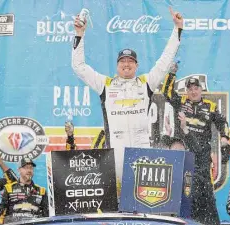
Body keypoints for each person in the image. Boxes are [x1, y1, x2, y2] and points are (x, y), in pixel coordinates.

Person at [72, 7, 183, 180]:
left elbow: (165, 60)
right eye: (122, 61)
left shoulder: (146, 83)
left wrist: (177, 29)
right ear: (117, 66)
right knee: (117, 203)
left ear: (137, 66)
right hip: (116, 152)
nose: (126, 64)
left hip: (143, 151)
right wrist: (79, 34)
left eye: (130, 61)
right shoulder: (106, 85)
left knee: (143, 202)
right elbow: (79, 67)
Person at [161, 62, 230, 167]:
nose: (193, 92)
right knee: (182, 181)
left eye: (196, 88)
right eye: (190, 89)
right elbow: (167, 92)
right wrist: (172, 73)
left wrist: (224, 137)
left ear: (201, 89)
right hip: (183, 152)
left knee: (204, 182)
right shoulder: (180, 101)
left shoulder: (210, 106)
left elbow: (222, 122)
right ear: (186, 91)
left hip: (202, 154)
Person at [177, 112, 220, 225]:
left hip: (201, 212)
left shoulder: (201, 151)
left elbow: (197, 149)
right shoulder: (175, 166)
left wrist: (185, 129)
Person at [0, 158, 48, 224]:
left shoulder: (41, 191)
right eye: (26, 168)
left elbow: (46, 215)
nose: (29, 170)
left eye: (31, 168)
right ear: (19, 170)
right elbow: (0, 213)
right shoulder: (9, 188)